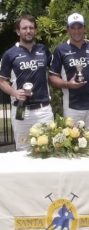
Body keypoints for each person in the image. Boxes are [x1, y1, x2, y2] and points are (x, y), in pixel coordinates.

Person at [49, 13, 89, 136]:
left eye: (79, 27)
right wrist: (68, 84)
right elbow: (52, 77)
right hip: (72, 107)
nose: (76, 31)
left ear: (85, 28)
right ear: (68, 29)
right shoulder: (61, 50)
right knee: (74, 146)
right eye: (73, 27)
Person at [0, 15, 54, 151]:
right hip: (21, 110)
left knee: (48, 150)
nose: (28, 31)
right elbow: (1, 81)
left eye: (31, 28)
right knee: (23, 152)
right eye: (24, 28)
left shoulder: (43, 50)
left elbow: (56, 72)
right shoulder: (9, 54)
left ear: (35, 30)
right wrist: (14, 92)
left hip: (44, 110)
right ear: (18, 31)